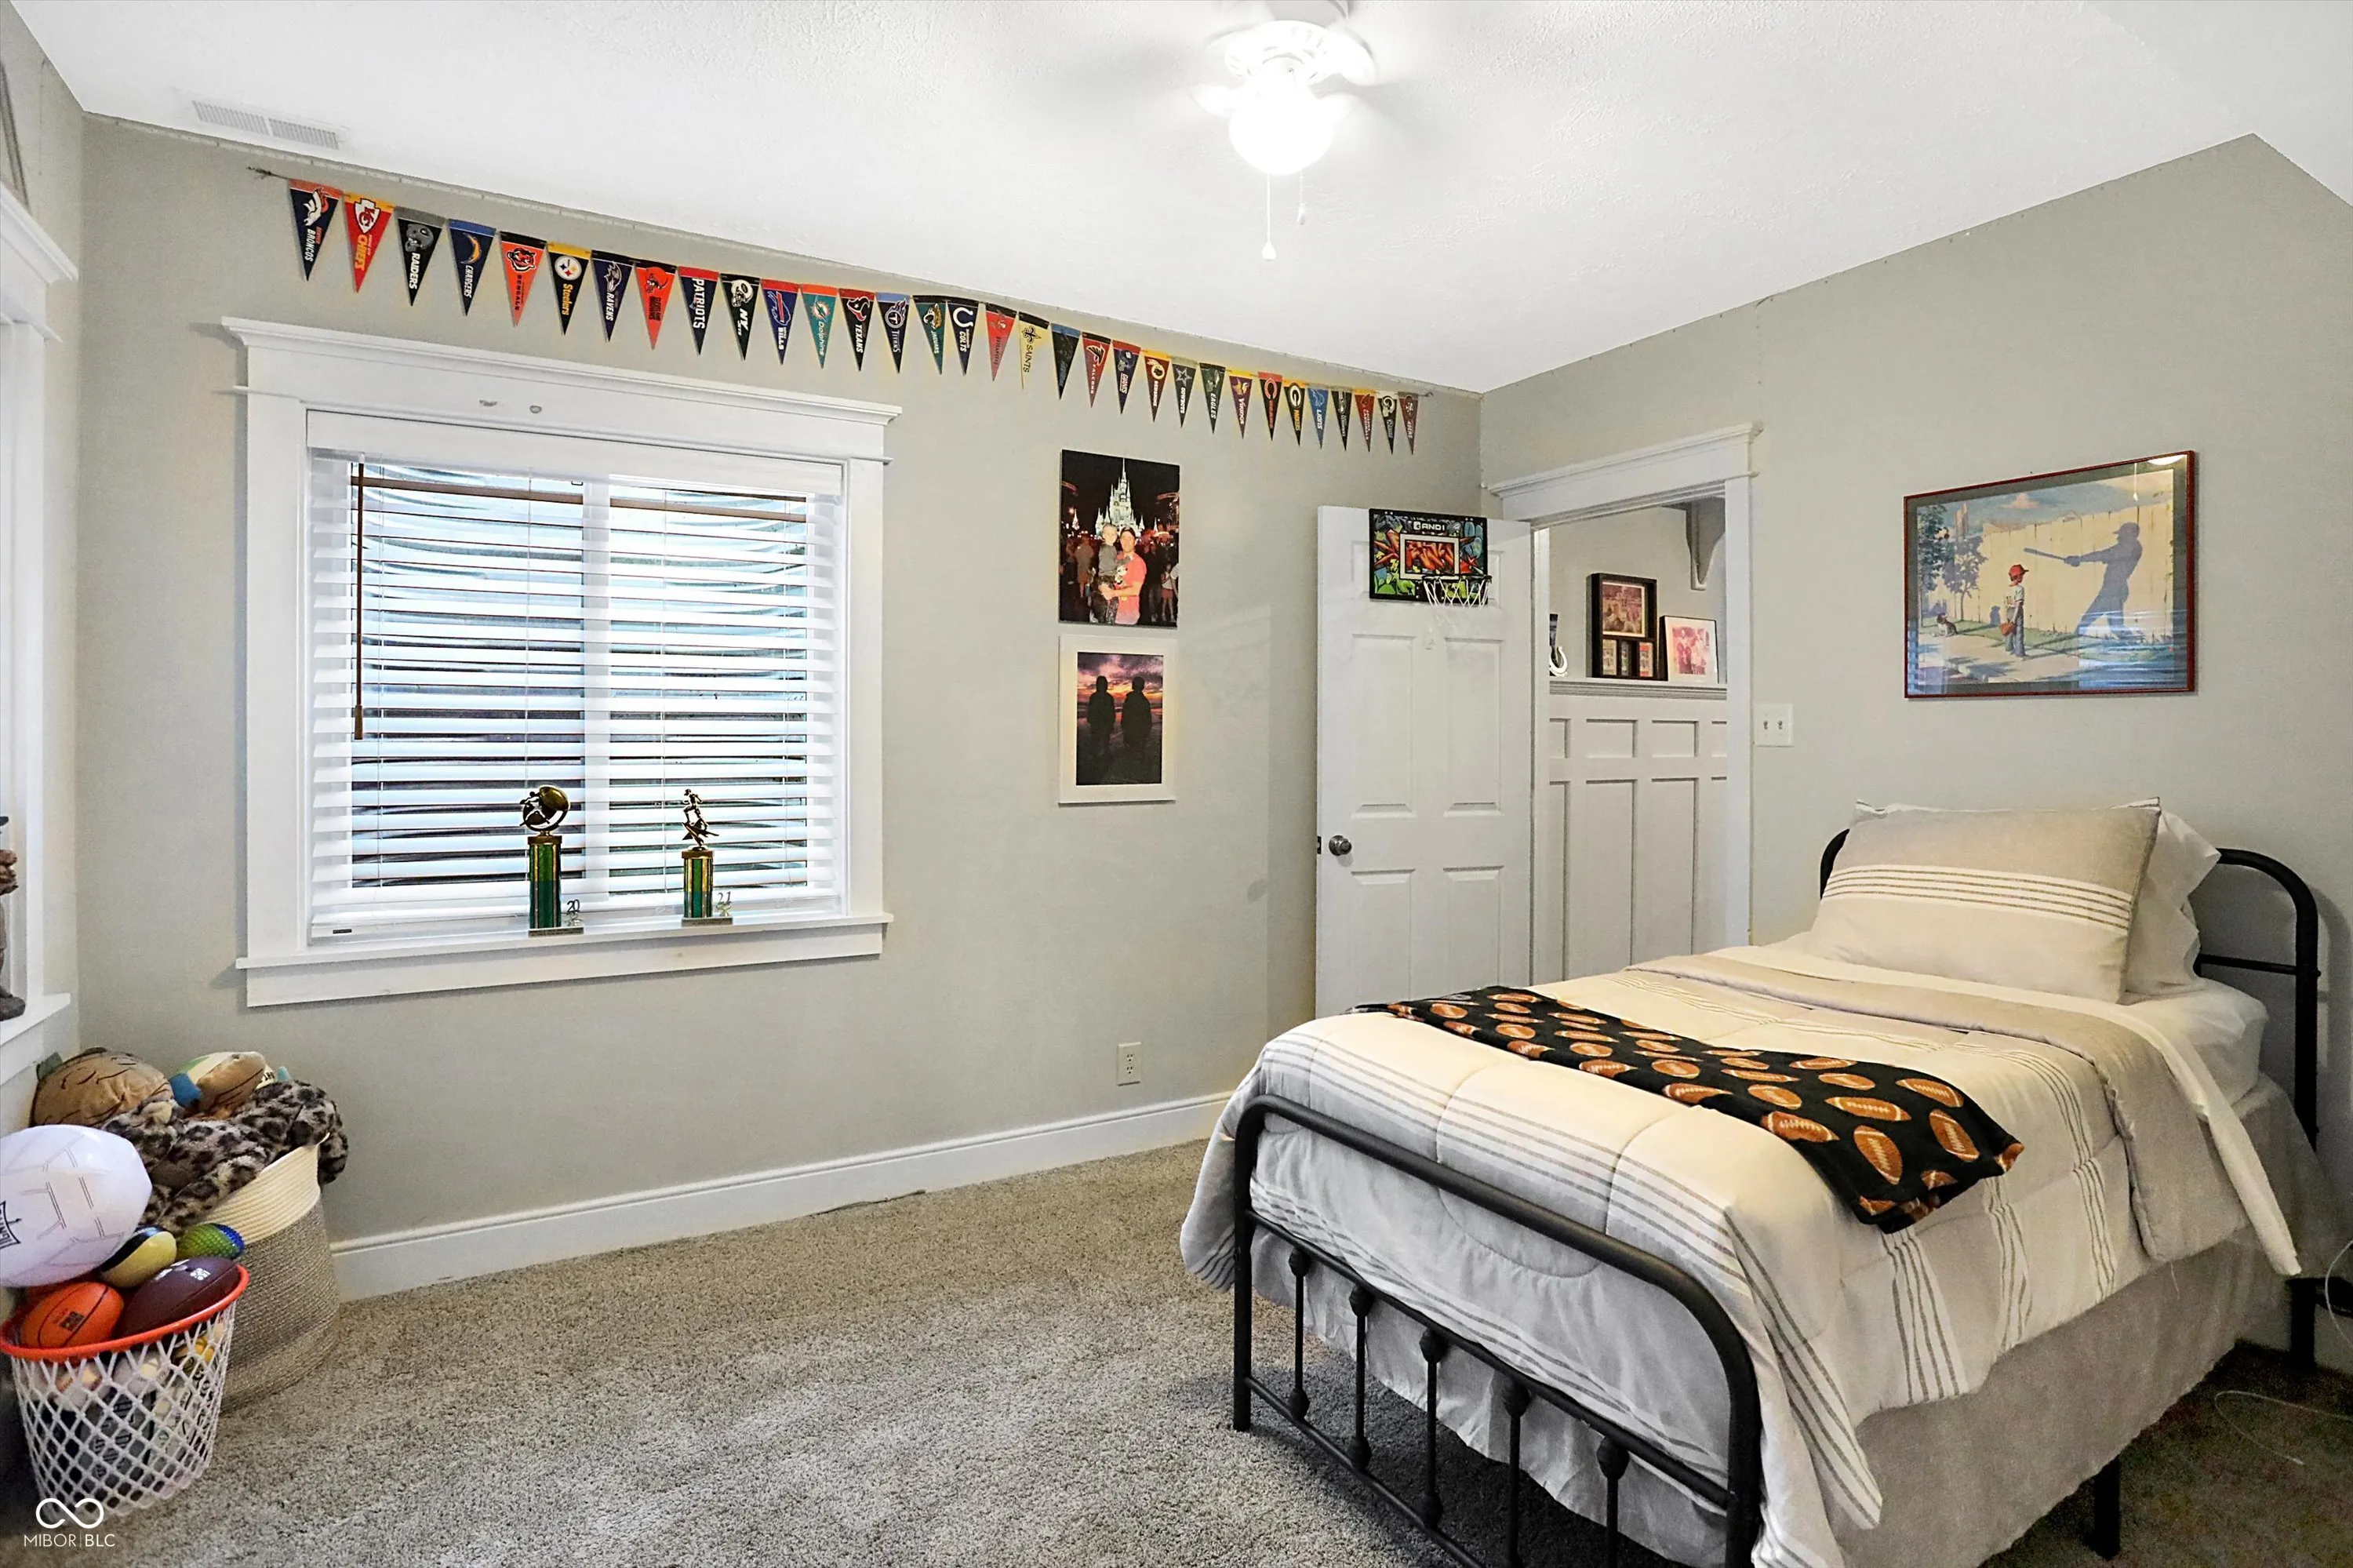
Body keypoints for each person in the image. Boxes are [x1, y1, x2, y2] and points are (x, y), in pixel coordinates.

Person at [2055, 522, 2143, 640]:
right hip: (2114, 588)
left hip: (2113, 590)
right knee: (2100, 621)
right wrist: (2079, 560)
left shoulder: (2129, 548)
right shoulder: (2130, 548)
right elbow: (2105, 555)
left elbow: (2103, 555)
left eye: (2122, 534)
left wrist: (2079, 559)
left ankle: (2074, 639)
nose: (2119, 537)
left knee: (2107, 624)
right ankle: (2074, 638)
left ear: (2130, 535)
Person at [1119, 672, 1156, 781]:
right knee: (1138, 752)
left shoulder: (1130, 699)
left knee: (1131, 751)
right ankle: (1136, 773)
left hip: (1132, 730)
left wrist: (1124, 725)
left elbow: (1125, 714)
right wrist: (1147, 730)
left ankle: (1132, 773)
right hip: (1139, 731)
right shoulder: (1144, 701)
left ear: (1133, 686)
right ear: (1143, 687)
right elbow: (1148, 718)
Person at [1083, 673, 1117, 784]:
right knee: (1099, 741)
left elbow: (1110, 712)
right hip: (1100, 723)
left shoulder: (1097, 697)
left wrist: (1111, 722)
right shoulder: (1106, 697)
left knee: (1100, 741)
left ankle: (1099, 758)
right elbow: (1110, 712)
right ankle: (1100, 757)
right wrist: (1111, 722)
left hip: (1101, 723)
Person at [2000, 563, 2028, 658]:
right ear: (2018, 576)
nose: (2022, 577)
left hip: (2008, 611)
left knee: (2009, 631)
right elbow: (2018, 605)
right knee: (2018, 632)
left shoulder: (2007, 589)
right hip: (2017, 612)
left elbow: (2004, 604)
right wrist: (2014, 619)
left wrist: (2005, 617)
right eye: (2022, 575)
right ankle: (2020, 654)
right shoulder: (2019, 589)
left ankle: (2009, 649)